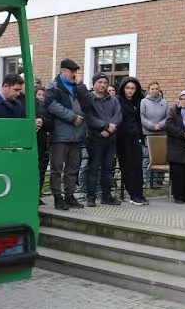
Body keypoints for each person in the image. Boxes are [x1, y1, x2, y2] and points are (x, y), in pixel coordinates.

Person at [44, 59, 87, 210]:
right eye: (72, 71)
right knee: (57, 168)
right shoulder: (52, 86)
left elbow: (87, 103)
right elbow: (51, 105)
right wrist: (72, 117)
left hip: (77, 134)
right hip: (60, 135)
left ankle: (69, 195)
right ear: (63, 71)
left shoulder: (77, 86)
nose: (74, 74)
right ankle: (57, 197)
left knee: (73, 167)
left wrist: (81, 86)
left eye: (75, 71)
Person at [84, 73, 123, 206]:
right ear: (94, 83)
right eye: (100, 82)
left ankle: (106, 196)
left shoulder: (113, 100)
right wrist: (104, 127)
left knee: (107, 169)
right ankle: (91, 197)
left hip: (111, 139)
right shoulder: (88, 99)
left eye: (105, 82)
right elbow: (89, 117)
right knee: (93, 168)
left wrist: (111, 128)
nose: (102, 85)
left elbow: (118, 115)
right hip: (95, 139)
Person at [116, 77, 147, 206]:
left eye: (133, 88)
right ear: (123, 88)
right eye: (127, 88)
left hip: (136, 137)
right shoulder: (118, 101)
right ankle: (133, 194)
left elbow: (140, 120)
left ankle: (139, 193)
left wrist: (141, 136)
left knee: (137, 166)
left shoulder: (138, 101)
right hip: (122, 138)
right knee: (127, 167)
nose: (130, 91)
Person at [140, 81, 168, 189]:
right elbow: (142, 117)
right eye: (152, 89)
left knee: (160, 157)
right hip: (148, 134)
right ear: (148, 90)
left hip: (161, 133)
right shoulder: (144, 102)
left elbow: (168, 116)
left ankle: (158, 181)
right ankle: (146, 180)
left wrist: (160, 125)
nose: (154, 90)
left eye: (156, 88)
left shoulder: (164, 102)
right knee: (147, 158)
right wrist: (152, 126)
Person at [34, 86, 53, 206]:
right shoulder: (31, 106)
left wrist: (43, 121)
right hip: (33, 142)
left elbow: (51, 123)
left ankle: (39, 194)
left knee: (41, 171)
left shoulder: (46, 109)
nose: (41, 97)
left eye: (43, 95)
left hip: (43, 143)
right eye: (39, 95)